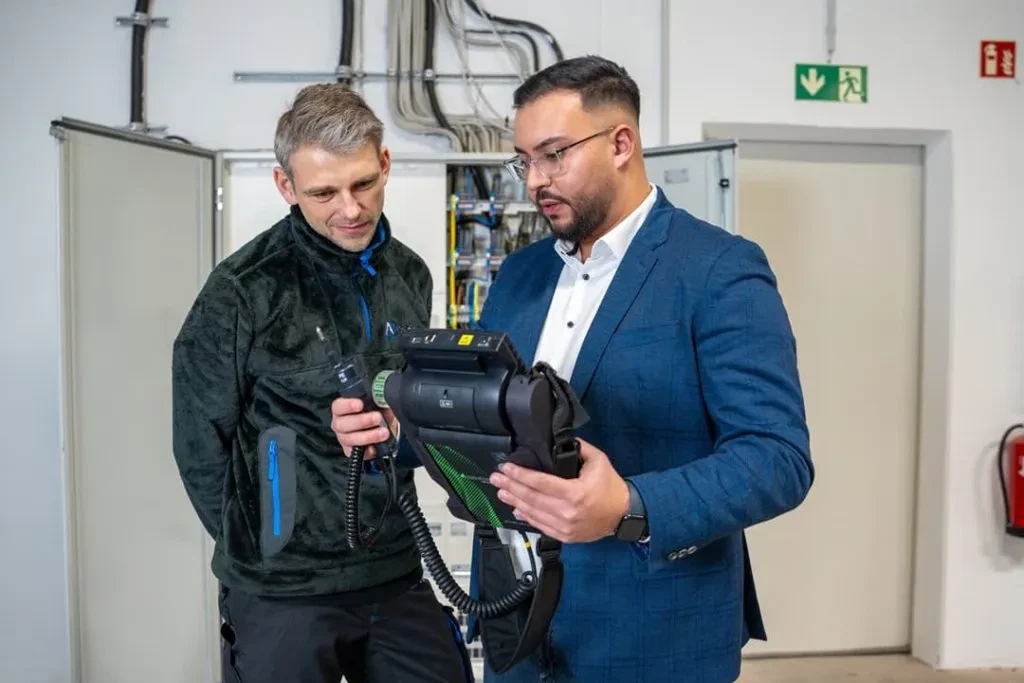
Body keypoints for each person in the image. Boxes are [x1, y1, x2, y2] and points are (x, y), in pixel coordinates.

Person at [336, 55, 814, 681]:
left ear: (622, 143)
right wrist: (399, 434)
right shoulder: (522, 274)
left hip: (653, 630)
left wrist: (629, 505)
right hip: (515, 621)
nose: (534, 180)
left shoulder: (718, 269)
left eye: (554, 154)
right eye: (524, 160)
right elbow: (490, 418)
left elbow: (776, 458)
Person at [172, 83, 471, 683]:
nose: (351, 208)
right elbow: (199, 442)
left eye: (363, 183)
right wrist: (266, 539)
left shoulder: (410, 273)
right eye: (324, 192)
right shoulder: (242, 289)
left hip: (394, 566)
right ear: (287, 187)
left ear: (385, 163)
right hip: (284, 587)